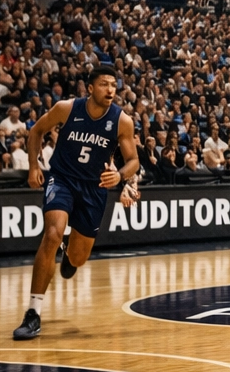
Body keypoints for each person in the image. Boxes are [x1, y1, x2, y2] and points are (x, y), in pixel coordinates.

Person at [13, 67, 140, 341]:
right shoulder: (66, 108)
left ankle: (69, 253)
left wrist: (119, 175)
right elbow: (36, 132)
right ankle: (33, 313)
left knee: (78, 258)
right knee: (51, 233)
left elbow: (134, 161)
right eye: (104, 84)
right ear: (90, 88)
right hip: (62, 178)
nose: (110, 90)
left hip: (94, 188)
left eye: (113, 86)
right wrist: (34, 166)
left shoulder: (122, 121)